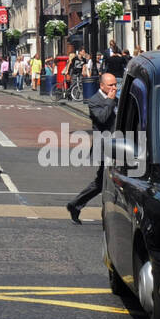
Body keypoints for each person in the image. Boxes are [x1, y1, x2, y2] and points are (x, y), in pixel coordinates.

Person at [67, 72, 118, 224]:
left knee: (106, 182)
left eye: (115, 84)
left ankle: (75, 205)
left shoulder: (117, 98)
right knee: (104, 182)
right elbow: (102, 118)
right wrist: (110, 101)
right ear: (102, 86)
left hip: (118, 145)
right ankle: (77, 205)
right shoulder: (94, 101)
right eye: (111, 85)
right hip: (103, 148)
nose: (114, 88)